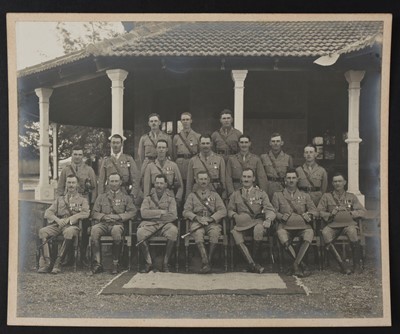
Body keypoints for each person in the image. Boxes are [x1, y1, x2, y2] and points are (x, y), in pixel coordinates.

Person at [38, 175, 90, 274]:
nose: (71, 185)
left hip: (72, 226)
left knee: (68, 232)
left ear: (77, 184)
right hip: (59, 225)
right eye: (69, 182)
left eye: (73, 183)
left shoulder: (82, 200)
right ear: (66, 184)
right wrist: (57, 220)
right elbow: (48, 213)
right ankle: (48, 263)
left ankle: (58, 263)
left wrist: (71, 219)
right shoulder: (59, 199)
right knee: (42, 231)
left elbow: (86, 213)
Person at [272, 169, 319, 277]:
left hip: (302, 226)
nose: (291, 180)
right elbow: (273, 211)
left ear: (297, 180)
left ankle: (295, 265)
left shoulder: (305, 195)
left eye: (293, 178)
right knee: (281, 234)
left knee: (309, 233)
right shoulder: (278, 195)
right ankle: (302, 266)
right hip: (285, 226)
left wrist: (309, 215)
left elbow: (314, 211)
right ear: (285, 180)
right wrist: (280, 216)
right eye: (288, 178)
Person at [228, 168, 276, 274]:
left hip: (256, 222)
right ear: (241, 178)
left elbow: (270, 209)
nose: (246, 179)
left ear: (253, 179)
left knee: (258, 229)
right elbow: (230, 210)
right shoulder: (235, 194)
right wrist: (235, 215)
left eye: (249, 177)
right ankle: (253, 265)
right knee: (235, 233)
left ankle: (254, 262)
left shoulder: (261, 194)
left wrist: (268, 219)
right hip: (242, 224)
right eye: (244, 176)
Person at [318, 173, 366, 274]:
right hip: (332, 225)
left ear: (344, 182)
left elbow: (363, 211)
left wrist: (350, 213)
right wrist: (331, 213)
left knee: (352, 231)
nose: (337, 183)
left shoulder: (351, 196)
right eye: (335, 181)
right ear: (332, 183)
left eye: (339, 181)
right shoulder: (326, 196)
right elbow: (320, 211)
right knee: (325, 233)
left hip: (348, 224)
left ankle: (356, 265)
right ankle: (342, 265)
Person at [57, 145, 97, 266]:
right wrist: (60, 202)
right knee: (68, 227)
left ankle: (83, 257)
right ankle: (69, 257)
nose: (77, 157)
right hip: (69, 203)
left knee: (84, 230)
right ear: (72, 155)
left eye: (80, 154)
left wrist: (92, 203)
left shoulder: (89, 169)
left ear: (83, 156)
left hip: (84, 202)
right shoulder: (65, 170)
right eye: (75, 154)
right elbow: (60, 188)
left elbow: (94, 188)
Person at [90, 173, 137, 274]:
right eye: (112, 181)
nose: (114, 184)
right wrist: (103, 216)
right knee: (94, 230)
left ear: (120, 182)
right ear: (108, 182)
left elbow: (133, 212)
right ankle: (97, 264)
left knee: (116, 231)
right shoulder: (101, 197)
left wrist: (119, 217)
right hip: (103, 224)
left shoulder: (126, 198)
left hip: (117, 224)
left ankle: (116, 263)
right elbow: (94, 212)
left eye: (116, 181)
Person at [183, 171, 227, 273]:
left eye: (205, 179)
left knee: (215, 233)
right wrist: (196, 218)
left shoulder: (215, 195)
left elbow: (223, 210)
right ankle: (206, 262)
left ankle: (207, 262)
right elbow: (185, 211)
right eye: (201, 179)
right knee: (197, 233)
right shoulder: (192, 196)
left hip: (212, 222)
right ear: (197, 181)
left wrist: (211, 218)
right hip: (198, 222)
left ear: (208, 181)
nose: (203, 181)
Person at [138, 174, 178, 273]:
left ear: (165, 185)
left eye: (161, 183)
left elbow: (173, 215)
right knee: (140, 233)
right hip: (150, 225)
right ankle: (149, 262)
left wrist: (152, 215)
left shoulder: (170, 199)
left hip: (165, 225)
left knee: (173, 231)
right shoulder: (148, 198)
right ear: (154, 184)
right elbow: (143, 213)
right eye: (157, 183)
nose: (159, 185)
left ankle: (165, 263)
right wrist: (161, 212)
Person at [98, 134, 141, 206]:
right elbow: (101, 180)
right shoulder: (106, 160)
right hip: (109, 193)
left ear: (121, 144)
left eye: (117, 143)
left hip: (124, 192)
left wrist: (133, 194)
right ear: (110, 144)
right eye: (113, 143)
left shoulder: (128, 159)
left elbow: (135, 179)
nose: (115, 145)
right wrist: (101, 196)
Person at [143, 139, 184, 208]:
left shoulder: (173, 165)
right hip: (154, 198)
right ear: (156, 149)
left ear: (167, 149)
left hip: (169, 197)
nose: (161, 150)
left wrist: (177, 199)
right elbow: (146, 187)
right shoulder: (150, 166)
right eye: (159, 147)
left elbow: (180, 185)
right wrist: (147, 201)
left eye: (163, 148)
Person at [186, 135, 227, 200]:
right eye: (203, 143)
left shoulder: (219, 159)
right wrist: (187, 196)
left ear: (211, 144)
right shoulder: (193, 160)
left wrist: (224, 195)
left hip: (214, 191)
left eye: (207, 143)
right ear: (199, 144)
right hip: (197, 192)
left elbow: (223, 180)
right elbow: (189, 181)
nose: (205, 146)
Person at [172, 112, 201, 193]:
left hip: (192, 164)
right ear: (181, 121)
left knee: (191, 185)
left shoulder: (197, 136)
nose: (185, 121)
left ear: (191, 121)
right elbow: (174, 154)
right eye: (183, 120)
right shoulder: (176, 137)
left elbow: (199, 153)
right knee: (180, 185)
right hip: (180, 165)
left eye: (187, 119)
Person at [260, 133, 294, 200]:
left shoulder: (288, 158)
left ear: (282, 143)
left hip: (281, 188)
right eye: (273, 141)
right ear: (270, 143)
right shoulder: (263, 157)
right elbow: (260, 176)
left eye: (278, 141)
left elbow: (291, 176)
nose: (275, 143)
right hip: (268, 187)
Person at [138, 113, 172, 178]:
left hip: (162, 164)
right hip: (148, 164)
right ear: (149, 123)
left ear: (159, 122)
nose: (153, 123)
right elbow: (141, 155)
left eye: (155, 121)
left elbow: (170, 153)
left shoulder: (166, 137)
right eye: (151, 121)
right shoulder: (144, 138)